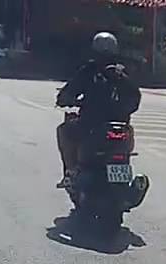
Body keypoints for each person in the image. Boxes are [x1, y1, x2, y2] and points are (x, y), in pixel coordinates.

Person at [54, 32, 142, 189]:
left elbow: (68, 92)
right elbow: (135, 98)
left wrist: (66, 100)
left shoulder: (89, 71)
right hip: (121, 127)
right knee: (125, 143)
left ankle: (70, 173)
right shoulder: (123, 72)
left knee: (64, 130)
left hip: (91, 125)